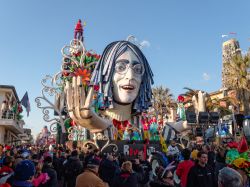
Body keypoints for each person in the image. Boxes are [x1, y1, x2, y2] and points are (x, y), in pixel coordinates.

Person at [65, 40, 154, 136]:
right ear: (105, 74)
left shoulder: (145, 124)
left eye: (137, 69)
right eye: (120, 67)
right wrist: (98, 126)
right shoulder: (89, 118)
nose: (130, 75)